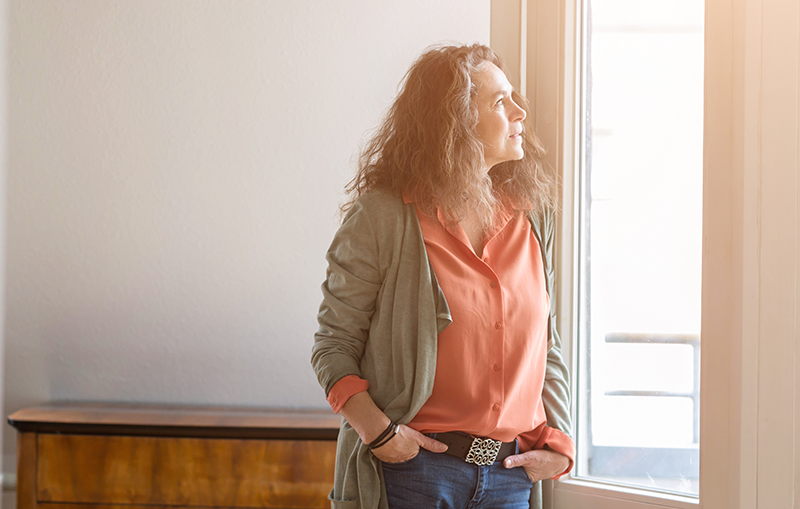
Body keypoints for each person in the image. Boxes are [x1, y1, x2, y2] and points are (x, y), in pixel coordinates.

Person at [311, 43, 574, 509]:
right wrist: (381, 435)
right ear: (454, 122)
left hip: (510, 476)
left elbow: (546, 346)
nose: (519, 111)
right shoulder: (384, 218)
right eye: (499, 102)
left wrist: (560, 439)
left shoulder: (535, 220)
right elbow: (333, 347)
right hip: (412, 473)